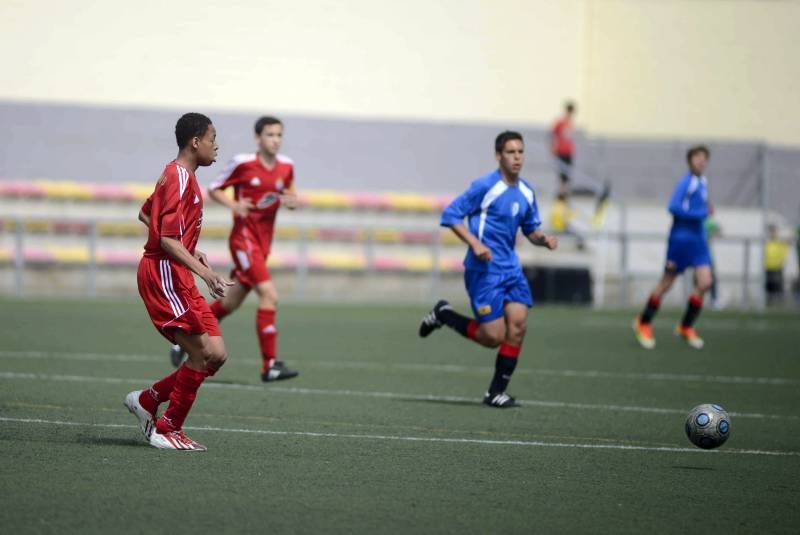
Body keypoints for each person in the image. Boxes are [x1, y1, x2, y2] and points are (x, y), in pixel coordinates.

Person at [418, 131, 558, 408]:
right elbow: (451, 215)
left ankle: (495, 392)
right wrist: (475, 243)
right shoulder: (485, 186)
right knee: (492, 337)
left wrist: (543, 239)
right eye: (510, 152)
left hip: (511, 270)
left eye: (520, 152)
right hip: (484, 272)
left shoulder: (527, 192)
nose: (517, 157)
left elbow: (530, 228)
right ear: (498, 155)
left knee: (518, 327)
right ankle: (444, 314)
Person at [124, 113, 233, 451]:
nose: (217, 145)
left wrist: (191, 250)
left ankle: (147, 399)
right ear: (194, 142)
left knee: (216, 354)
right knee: (201, 353)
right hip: (164, 274)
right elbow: (167, 241)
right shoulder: (180, 178)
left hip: (177, 272)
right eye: (212, 138)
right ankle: (167, 427)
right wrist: (206, 273)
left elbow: (147, 214)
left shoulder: (180, 176)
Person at [170, 116, 299, 382]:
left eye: (279, 135)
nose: (275, 140)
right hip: (243, 241)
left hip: (263, 245)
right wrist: (234, 206)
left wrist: (291, 201)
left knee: (230, 302)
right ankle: (270, 365)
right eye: (270, 135)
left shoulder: (287, 167)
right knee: (269, 295)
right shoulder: (243, 164)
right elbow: (215, 188)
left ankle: (185, 336)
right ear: (258, 138)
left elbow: (291, 196)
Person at [633, 145, 713, 350]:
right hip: (680, 240)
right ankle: (643, 322)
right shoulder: (686, 182)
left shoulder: (702, 182)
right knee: (667, 283)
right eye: (697, 157)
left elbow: (700, 207)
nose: (701, 161)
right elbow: (673, 207)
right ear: (690, 160)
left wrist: (706, 210)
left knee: (705, 282)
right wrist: (700, 214)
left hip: (698, 242)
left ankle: (685, 326)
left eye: (704, 158)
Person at [551, 101, 576, 196]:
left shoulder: (571, 123)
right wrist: (553, 147)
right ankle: (561, 193)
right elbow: (553, 134)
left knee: (567, 174)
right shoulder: (560, 122)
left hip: (569, 152)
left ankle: (564, 193)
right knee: (561, 173)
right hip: (561, 151)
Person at [764, 223, 789, 305]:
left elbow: (784, 254)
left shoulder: (780, 243)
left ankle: (779, 305)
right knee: (768, 288)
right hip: (768, 268)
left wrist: (781, 263)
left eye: (773, 231)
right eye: (770, 231)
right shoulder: (767, 243)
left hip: (777, 268)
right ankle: (769, 305)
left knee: (778, 287)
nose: (772, 233)